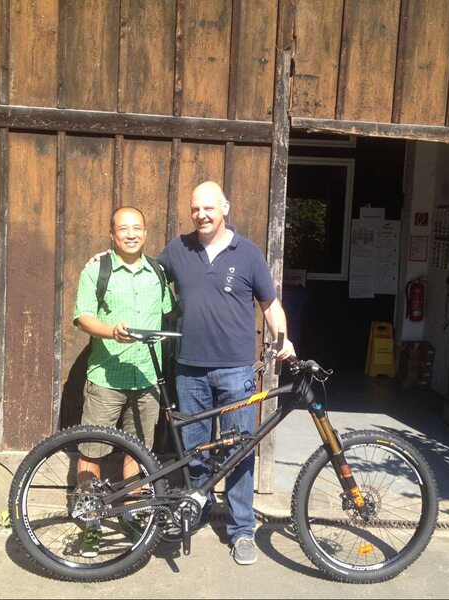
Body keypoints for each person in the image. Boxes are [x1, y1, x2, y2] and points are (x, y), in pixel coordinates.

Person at [158, 181, 295, 566]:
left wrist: (283, 340)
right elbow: (147, 276)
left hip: (236, 370)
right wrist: (113, 258)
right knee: (194, 449)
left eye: (208, 208)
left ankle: (241, 530)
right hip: (189, 370)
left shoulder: (248, 253)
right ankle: (198, 510)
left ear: (225, 208)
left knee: (239, 450)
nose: (201, 215)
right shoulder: (177, 249)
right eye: (195, 209)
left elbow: (270, 305)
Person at [73, 206, 173, 555]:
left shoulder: (157, 272)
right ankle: (90, 522)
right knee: (91, 450)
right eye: (123, 229)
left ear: (145, 233)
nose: (131, 234)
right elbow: (83, 317)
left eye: (137, 228)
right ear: (112, 235)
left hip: (146, 377)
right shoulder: (96, 269)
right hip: (106, 377)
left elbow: (168, 311)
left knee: (138, 451)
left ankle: (130, 515)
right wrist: (111, 331)